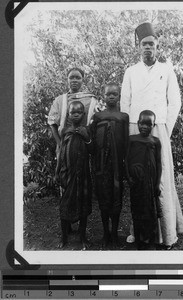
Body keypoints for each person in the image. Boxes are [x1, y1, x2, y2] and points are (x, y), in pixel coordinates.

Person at [121, 22, 183, 249]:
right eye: (143, 44)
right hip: (135, 130)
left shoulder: (166, 70)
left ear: (157, 46)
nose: (147, 48)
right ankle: (137, 230)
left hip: (159, 128)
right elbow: (125, 103)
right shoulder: (131, 71)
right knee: (139, 180)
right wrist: (129, 131)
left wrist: (166, 127)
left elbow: (175, 101)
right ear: (138, 47)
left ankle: (167, 234)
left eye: (151, 44)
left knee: (161, 178)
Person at [91, 83, 129, 248]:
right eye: (108, 94)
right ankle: (105, 232)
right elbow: (92, 142)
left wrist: (125, 164)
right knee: (103, 199)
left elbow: (126, 142)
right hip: (101, 165)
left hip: (117, 166)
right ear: (103, 96)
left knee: (116, 198)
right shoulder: (98, 117)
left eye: (115, 94)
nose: (112, 97)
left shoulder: (124, 117)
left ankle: (114, 232)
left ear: (119, 96)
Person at [55, 101, 92, 249]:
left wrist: (87, 138)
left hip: (82, 176)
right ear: (69, 115)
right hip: (67, 174)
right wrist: (57, 171)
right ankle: (64, 237)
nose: (75, 114)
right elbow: (60, 152)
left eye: (79, 112)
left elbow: (92, 150)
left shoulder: (87, 131)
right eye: (72, 112)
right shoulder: (65, 131)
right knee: (65, 205)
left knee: (83, 205)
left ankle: (83, 237)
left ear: (83, 114)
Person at [126, 110, 162, 250]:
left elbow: (158, 164)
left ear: (153, 125)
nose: (144, 127)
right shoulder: (131, 139)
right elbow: (127, 160)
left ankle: (150, 240)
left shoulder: (155, 142)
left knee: (150, 211)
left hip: (149, 183)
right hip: (136, 183)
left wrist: (157, 184)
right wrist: (129, 178)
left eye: (149, 124)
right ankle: (139, 240)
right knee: (136, 210)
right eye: (142, 123)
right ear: (138, 123)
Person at [48, 67, 97, 158]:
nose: (74, 80)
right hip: (65, 143)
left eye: (78, 78)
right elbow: (52, 124)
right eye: (71, 77)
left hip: (85, 144)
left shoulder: (91, 100)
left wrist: (88, 140)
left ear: (83, 80)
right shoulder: (60, 100)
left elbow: (95, 124)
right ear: (67, 79)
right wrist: (60, 144)